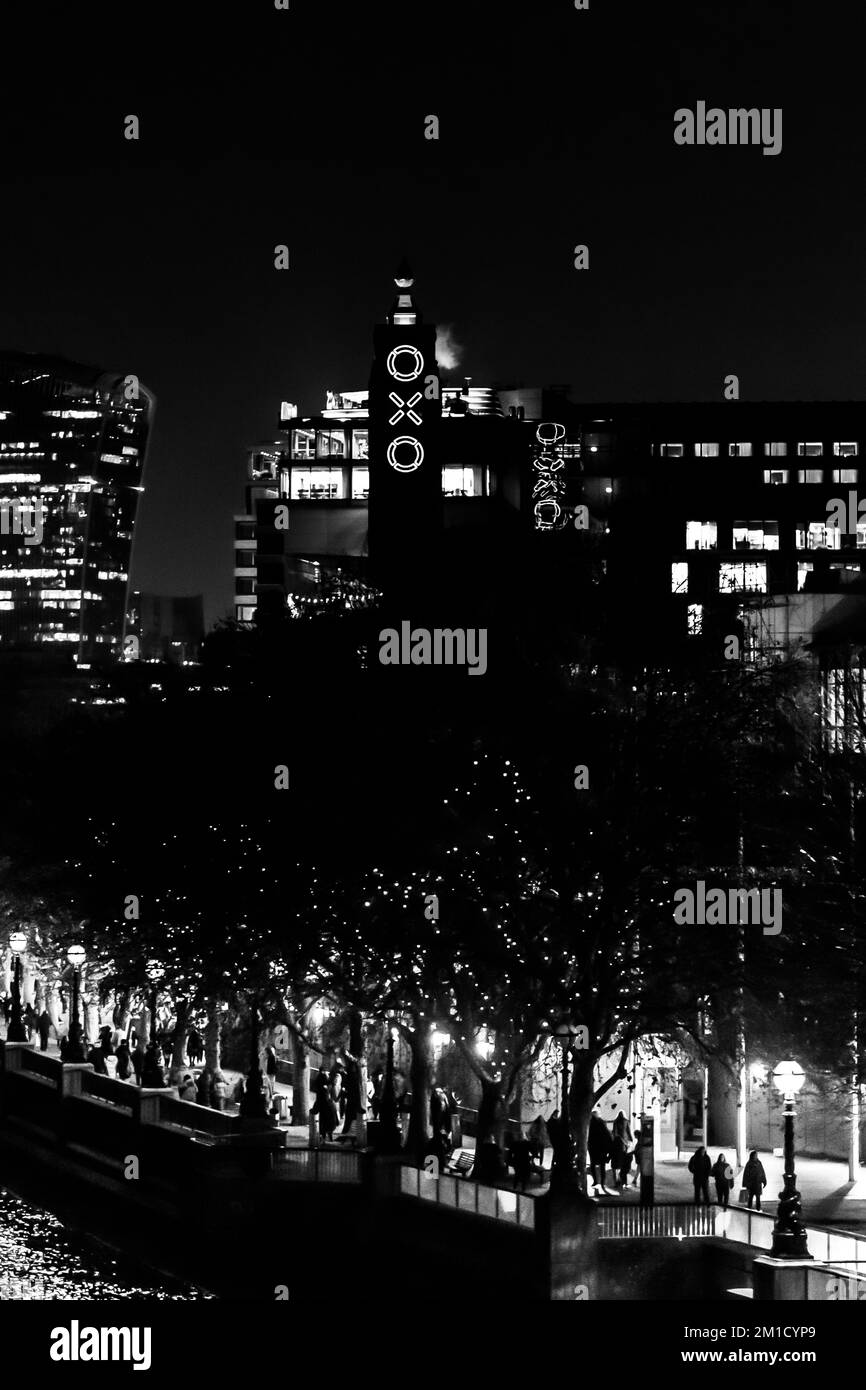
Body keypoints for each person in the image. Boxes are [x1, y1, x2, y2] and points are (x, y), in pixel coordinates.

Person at [588, 1113, 613, 1195]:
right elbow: (608, 1136)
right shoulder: (602, 1125)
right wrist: (609, 1151)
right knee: (602, 1166)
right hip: (602, 1149)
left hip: (594, 1148)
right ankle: (602, 1182)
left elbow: (589, 1138)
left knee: (592, 1165)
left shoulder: (591, 1125)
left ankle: (595, 1181)